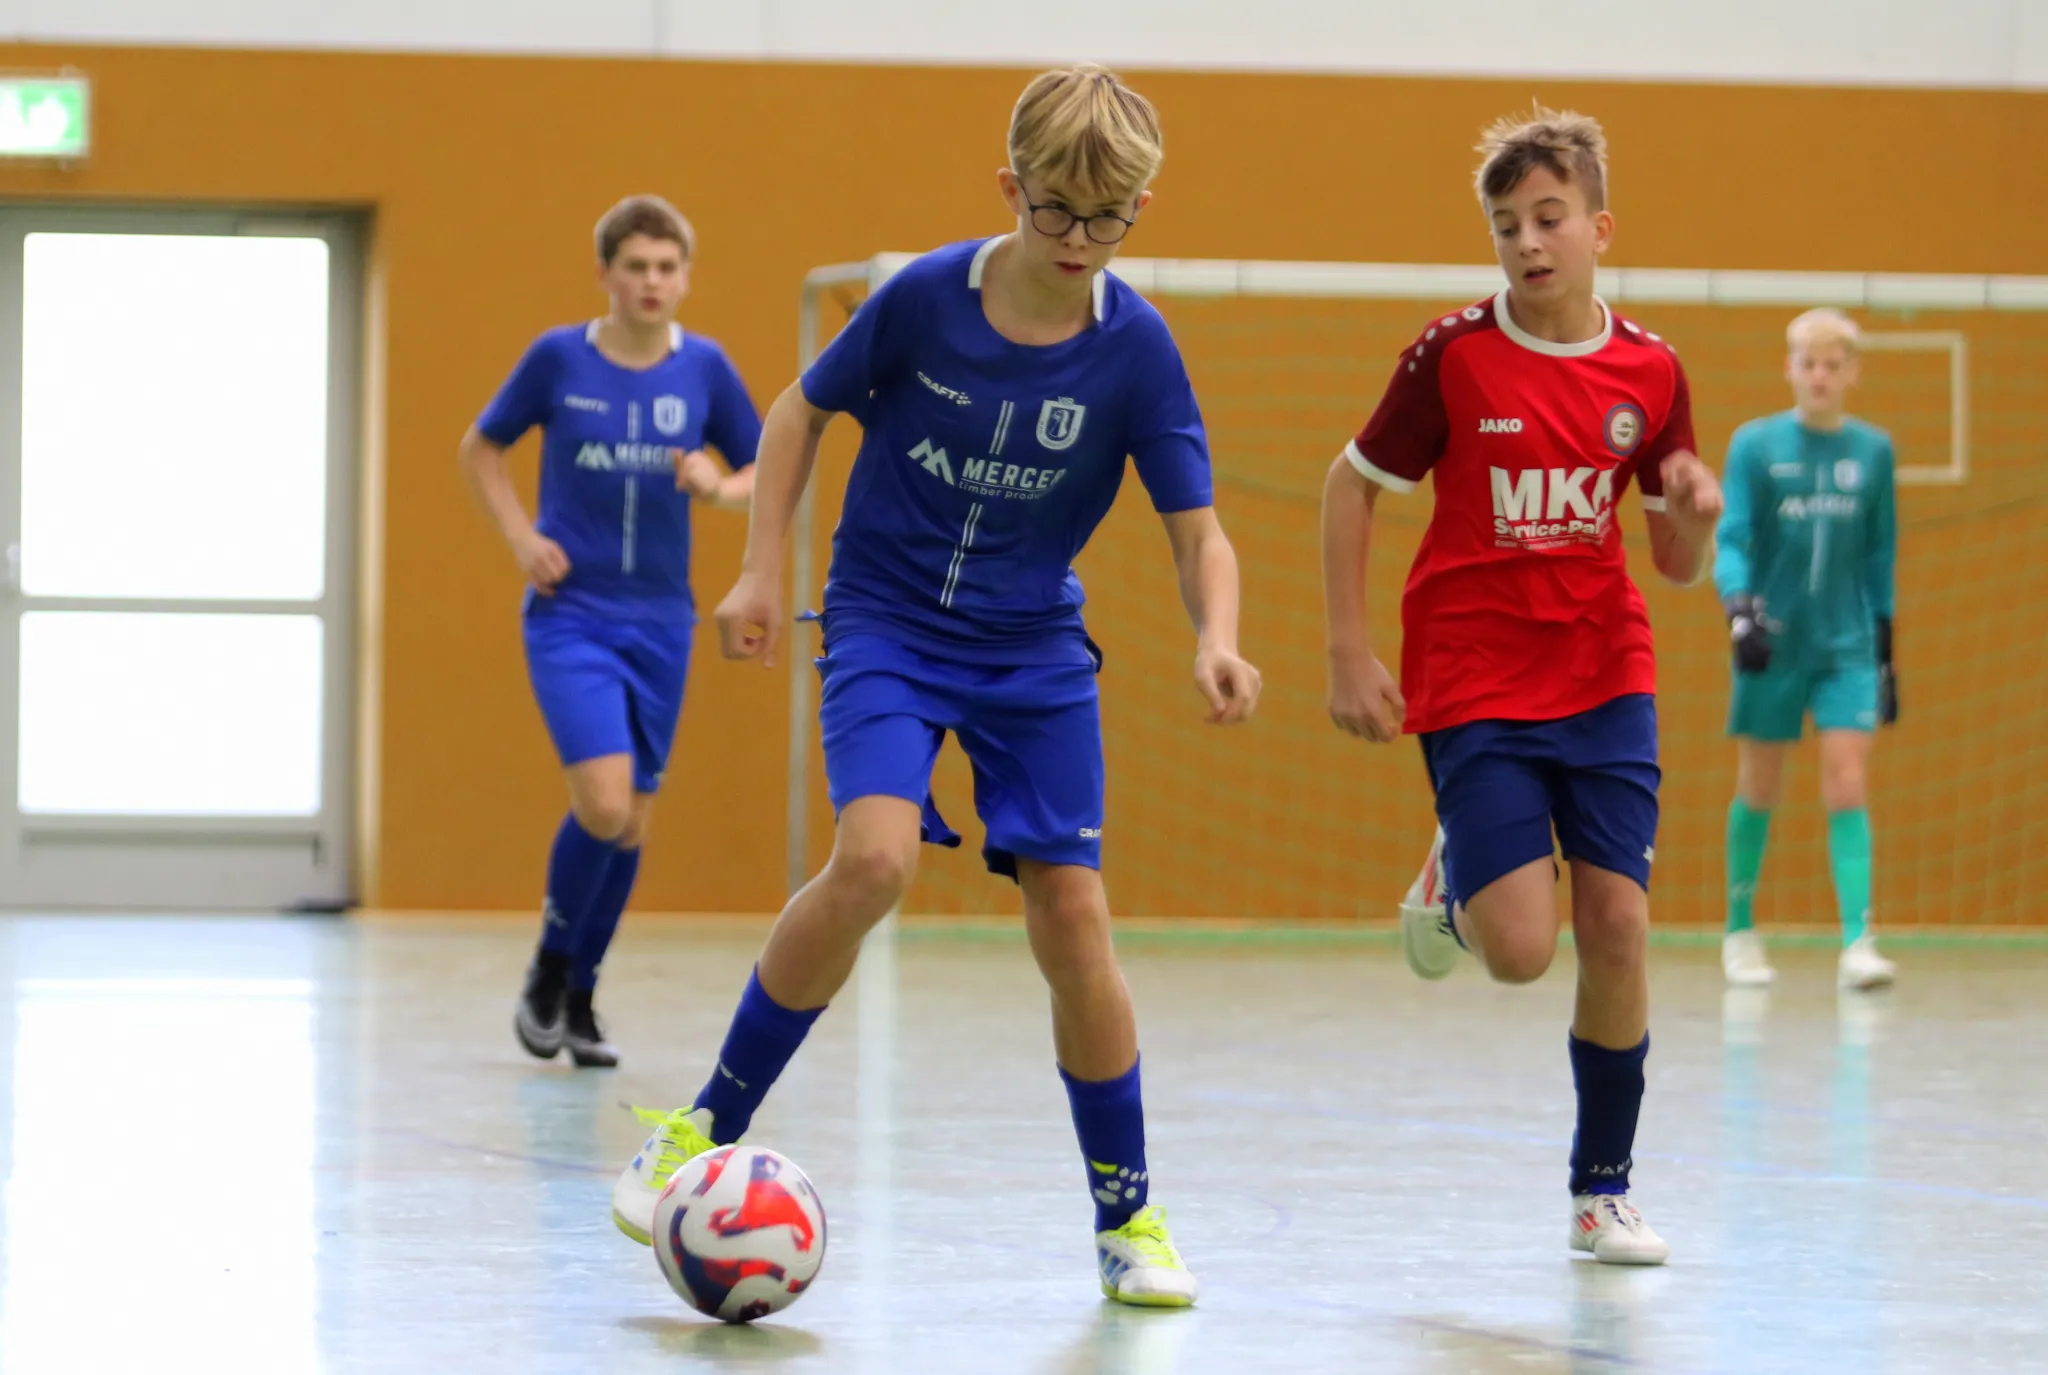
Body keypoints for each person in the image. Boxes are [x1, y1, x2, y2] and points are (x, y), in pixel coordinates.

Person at [608, 64, 1260, 1309]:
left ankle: (1127, 1217)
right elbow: (796, 415)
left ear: (1138, 209)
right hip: (887, 622)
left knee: (1074, 919)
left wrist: (1214, 636)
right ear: (1009, 186)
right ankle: (699, 1126)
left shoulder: (1134, 348)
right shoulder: (922, 298)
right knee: (873, 861)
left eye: (1106, 218)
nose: (1076, 239)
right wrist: (759, 573)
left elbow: (1198, 532)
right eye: (1055, 209)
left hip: (1032, 648)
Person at [1321, 106, 1722, 1266]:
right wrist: (1348, 650)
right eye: (1505, 226)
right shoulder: (1451, 356)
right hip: (1474, 671)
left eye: (1548, 218)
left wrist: (1696, 517)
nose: (1527, 243)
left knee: (1618, 924)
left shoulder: (1650, 370)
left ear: (1599, 227)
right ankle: (1458, 863)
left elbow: (1671, 561)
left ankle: (1602, 1191)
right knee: (1518, 953)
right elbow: (1349, 486)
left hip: (1603, 668)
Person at [459, 195, 761, 1069]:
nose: (651, 282)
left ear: (686, 276)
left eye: (667, 267)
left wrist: (717, 487)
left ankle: (581, 996)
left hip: (661, 621)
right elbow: (481, 447)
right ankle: (548, 969)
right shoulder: (559, 357)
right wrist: (522, 538)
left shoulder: (704, 368)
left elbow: (761, 465)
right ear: (606, 274)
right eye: (636, 267)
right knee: (603, 801)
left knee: (631, 825)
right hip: (573, 615)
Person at [1716, 308, 1900, 991]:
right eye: (1808, 363)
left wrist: (1885, 650)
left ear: (1852, 373)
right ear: (1789, 368)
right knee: (1759, 784)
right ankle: (1740, 931)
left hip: (1846, 647)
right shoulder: (1755, 446)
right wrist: (1739, 608)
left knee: (1847, 780)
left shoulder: (1873, 452)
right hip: (1772, 642)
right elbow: (1733, 537)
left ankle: (1858, 941)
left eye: (1832, 365)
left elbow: (1879, 555)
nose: (1819, 376)